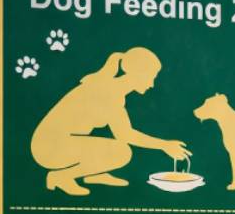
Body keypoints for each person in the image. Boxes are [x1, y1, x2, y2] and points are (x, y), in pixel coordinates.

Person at [31, 47, 190, 197]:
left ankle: (93, 174)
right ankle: (60, 176)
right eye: (151, 77)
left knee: (116, 149)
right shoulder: (108, 92)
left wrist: (164, 145)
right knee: (122, 152)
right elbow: (125, 135)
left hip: (58, 143)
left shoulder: (113, 89)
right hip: (49, 147)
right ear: (138, 74)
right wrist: (164, 145)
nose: (152, 84)